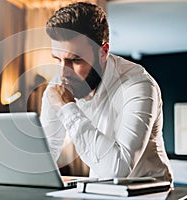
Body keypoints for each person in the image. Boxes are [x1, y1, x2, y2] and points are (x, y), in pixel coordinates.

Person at [40, 2, 173, 183]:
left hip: (151, 192)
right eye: (57, 59)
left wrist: (67, 109)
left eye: (76, 60)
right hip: (99, 190)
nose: (63, 73)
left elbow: (118, 170)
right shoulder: (60, 84)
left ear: (103, 52)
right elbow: (45, 156)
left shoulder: (139, 85)